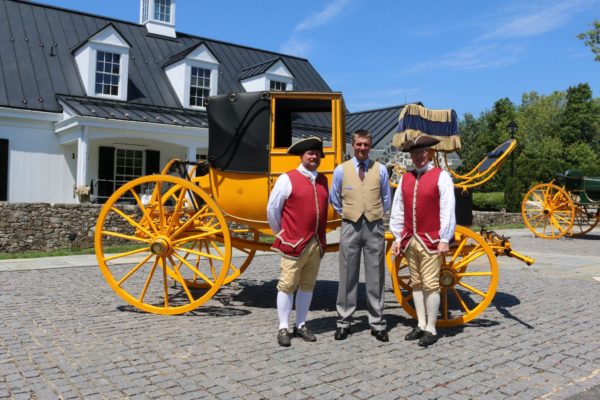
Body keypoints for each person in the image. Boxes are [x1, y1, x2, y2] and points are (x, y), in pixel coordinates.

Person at [390, 134, 456, 347]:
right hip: (410, 239)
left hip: (431, 240)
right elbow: (398, 209)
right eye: (414, 153)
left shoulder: (441, 176)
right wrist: (398, 236)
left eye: (422, 152)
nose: (418, 156)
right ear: (410, 156)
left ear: (428, 153)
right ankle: (420, 324)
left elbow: (447, 208)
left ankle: (431, 328)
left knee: (430, 284)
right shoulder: (406, 178)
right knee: (416, 283)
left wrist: (445, 238)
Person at [330, 129, 392, 342]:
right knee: (347, 275)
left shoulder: (381, 170)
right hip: (350, 225)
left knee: (376, 275)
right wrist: (348, 213)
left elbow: (386, 197)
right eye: (359, 144)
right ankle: (344, 322)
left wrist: (375, 214)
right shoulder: (341, 170)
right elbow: (334, 198)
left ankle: (377, 323)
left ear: (370, 146)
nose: (362, 148)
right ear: (353, 145)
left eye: (366, 144)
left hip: (374, 226)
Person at [267, 137, 329, 347]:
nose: (314, 157)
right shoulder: (287, 178)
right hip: (294, 242)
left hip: (316, 242)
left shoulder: (322, 180)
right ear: (302, 156)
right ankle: (283, 327)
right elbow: (273, 210)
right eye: (310, 153)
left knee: (307, 285)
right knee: (287, 284)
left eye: (317, 153)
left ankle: (300, 324)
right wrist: (282, 233)